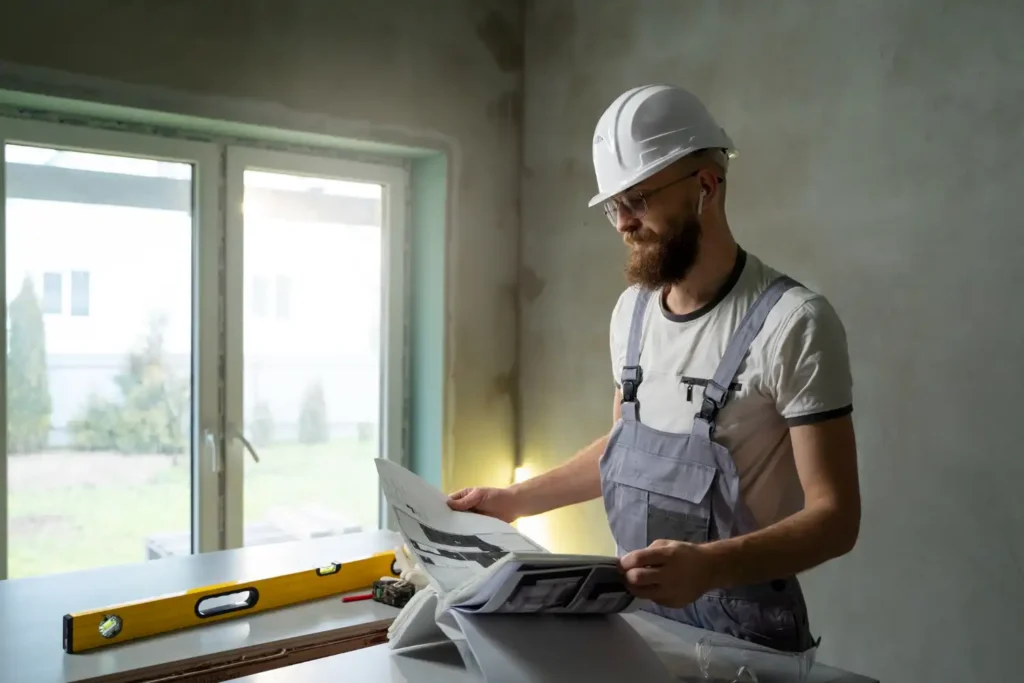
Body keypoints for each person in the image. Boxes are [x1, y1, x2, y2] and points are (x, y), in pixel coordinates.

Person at [447, 84, 860, 653]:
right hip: (636, 620)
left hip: (747, 642)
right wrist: (514, 501)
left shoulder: (794, 323)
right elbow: (627, 447)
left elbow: (836, 518)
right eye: (614, 206)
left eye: (637, 200)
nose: (622, 223)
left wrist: (710, 567)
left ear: (706, 187)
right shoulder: (632, 314)